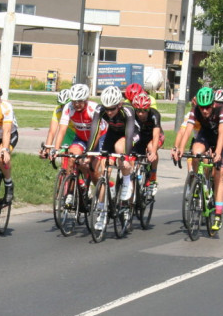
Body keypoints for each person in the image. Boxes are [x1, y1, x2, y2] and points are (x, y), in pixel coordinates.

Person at [172, 86, 223, 231]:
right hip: (205, 135)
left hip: (220, 138)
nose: (204, 110)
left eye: (207, 107)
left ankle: (217, 214)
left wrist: (217, 152)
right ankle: (197, 179)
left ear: (213, 104)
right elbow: (187, 131)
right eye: (202, 107)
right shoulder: (195, 110)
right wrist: (180, 149)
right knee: (195, 152)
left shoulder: (221, 110)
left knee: (218, 174)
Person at [85, 85, 136, 229]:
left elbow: (130, 132)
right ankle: (101, 211)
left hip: (129, 134)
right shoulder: (100, 110)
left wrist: (125, 158)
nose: (108, 112)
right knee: (104, 173)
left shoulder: (127, 110)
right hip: (112, 134)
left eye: (112, 109)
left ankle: (127, 181)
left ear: (119, 105)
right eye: (106, 108)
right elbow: (94, 131)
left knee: (120, 149)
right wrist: (88, 153)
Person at [50, 83, 99, 182]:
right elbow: (62, 130)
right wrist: (55, 149)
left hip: (97, 138)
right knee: (72, 157)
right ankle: (69, 191)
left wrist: (89, 154)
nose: (76, 104)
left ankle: (101, 189)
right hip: (81, 137)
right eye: (74, 101)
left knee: (93, 170)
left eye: (80, 101)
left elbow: (97, 132)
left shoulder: (93, 108)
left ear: (86, 99)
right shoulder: (68, 107)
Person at [130, 92, 162, 196]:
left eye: (144, 111)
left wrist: (153, 152)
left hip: (154, 136)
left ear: (148, 109)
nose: (140, 114)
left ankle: (153, 174)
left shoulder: (154, 114)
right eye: (138, 110)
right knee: (135, 156)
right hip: (141, 136)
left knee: (151, 147)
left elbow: (156, 135)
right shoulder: (132, 114)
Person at [40, 87, 76, 159]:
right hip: (69, 133)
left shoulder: (75, 110)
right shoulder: (58, 110)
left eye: (65, 105)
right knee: (64, 155)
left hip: (80, 133)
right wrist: (47, 150)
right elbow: (52, 132)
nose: (63, 108)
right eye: (61, 105)